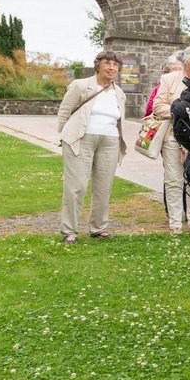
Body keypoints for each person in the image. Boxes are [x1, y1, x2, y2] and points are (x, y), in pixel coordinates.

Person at [56, 50, 129, 243]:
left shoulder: (119, 93)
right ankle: (69, 231)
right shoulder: (80, 85)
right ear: (98, 65)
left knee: (103, 187)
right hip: (81, 138)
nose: (111, 68)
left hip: (110, 141)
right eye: (107, 63)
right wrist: (64, 134)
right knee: (76, 186)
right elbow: (64, 111)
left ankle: (98, 228)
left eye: (115, 65)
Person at [152, 44, 190, 234]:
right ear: (186, 61)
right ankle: (175, 224)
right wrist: (178, 111)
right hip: (173, 135)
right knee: (174, 179)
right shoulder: (169, 79)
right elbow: (157, 106)